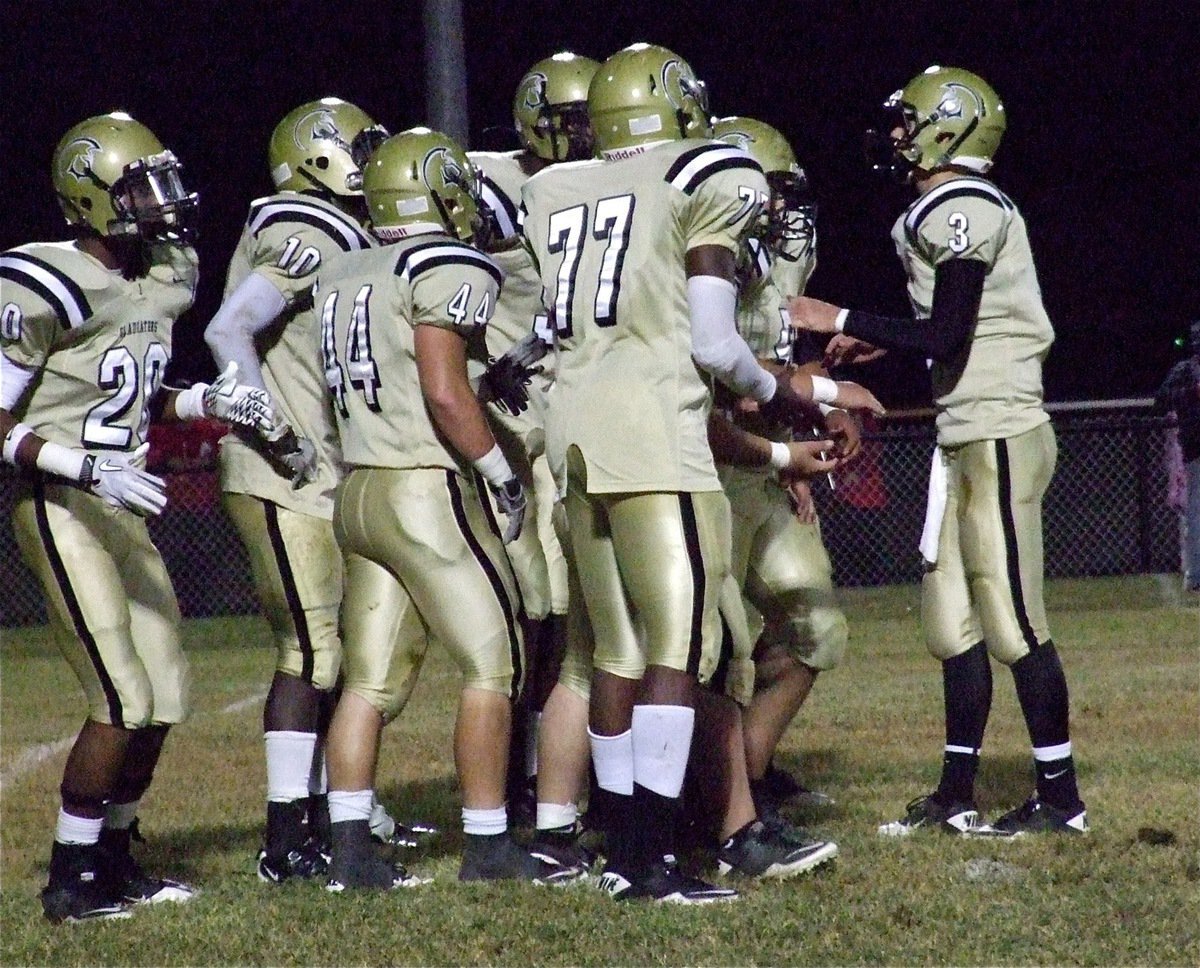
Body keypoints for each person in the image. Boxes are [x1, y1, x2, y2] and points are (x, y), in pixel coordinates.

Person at [522, 42, 880, 902]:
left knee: (612, 650)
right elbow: (715, 342)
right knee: (681, 651)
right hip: (655, 431)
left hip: (574, 431)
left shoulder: (554, 188)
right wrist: (780, 394)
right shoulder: (709, 175)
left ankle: (619, 843)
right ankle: (650, 856)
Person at [791, 66, 1088, 836]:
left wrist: (838, 315)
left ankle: (1061, 798)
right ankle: (957, 793)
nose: (896, 136)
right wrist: (872, 338)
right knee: (950, 622)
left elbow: (947, 332)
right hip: (963, 433)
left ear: (947, 128)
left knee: (1014, 621)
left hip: (998, 431)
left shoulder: (963, 204)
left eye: (908, 122)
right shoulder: (939, 205)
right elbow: (945, 333)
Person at [0, 112, 273, 922]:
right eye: (140, 187)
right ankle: (71, 879)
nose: (164, 202)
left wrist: (203, 399)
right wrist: (85, 466)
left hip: (123, 500)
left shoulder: (160, 274)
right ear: (88, 198)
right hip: (63, 502)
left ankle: (116, 857)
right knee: (119, 696)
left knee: (164, 690)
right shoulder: (42, 280)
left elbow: (130, 388)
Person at [317, 127, 583, 889]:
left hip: (360, 485)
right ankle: (489, 843)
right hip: (424, 489)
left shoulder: (344, 266)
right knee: (494, 664)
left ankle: (349, 849)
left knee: (370, 681)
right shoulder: (445, 262)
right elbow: (442, 388)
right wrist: (498, 469)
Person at [204, 97, 425, 884]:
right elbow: (227, 329)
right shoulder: (307, 222)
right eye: (359, 147)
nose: (371, 160)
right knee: (311, 653)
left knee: (344, 653)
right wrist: (272, 427)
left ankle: (335, 815)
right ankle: (284, 838)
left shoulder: (334, 224)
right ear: (318, 154)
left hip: (321, 473)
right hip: (285, 472)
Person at [467, 52, 600, 824]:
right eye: (572, 120)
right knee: (538, 603)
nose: (586, 136)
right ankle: (520, 772)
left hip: (581, 407)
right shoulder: (484, 179)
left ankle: (557, 774)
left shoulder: (610, 180)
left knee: (580, 606)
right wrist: (486, 362)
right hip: (517, 417)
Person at [712, 115, 854, 815]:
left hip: (763, 465)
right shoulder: (705, 254)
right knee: (710, 647)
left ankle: (747, 773)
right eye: (769, 193)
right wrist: (818, 399)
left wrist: (804, 427)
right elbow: (720, 372)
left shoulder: (780, 259)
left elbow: (779, 362)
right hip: (708, 470)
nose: (781, 211)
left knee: (816, 627)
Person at [1156, 320, 1200, 593]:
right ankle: (1195, 575)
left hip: (1193, 448)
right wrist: (1191, 394)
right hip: (1196, 448)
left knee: (1195, 511)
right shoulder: (1185, 371)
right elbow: (1161, 399)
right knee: (1195, 511)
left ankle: (1195, 574)